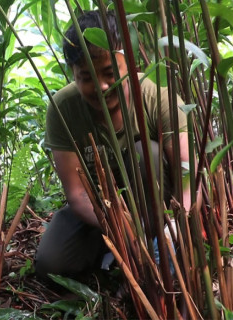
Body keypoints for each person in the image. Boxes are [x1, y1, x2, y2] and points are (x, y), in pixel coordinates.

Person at [34, 10, 193, 280]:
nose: (103, 86)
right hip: (101, 211)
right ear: (73, 74)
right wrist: (122, 230)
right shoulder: (63, 109)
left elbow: (188, 175)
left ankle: (157, 250)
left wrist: (177, 225)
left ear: (129, 62)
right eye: (87, 78)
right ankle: (115, 256)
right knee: (51, 262)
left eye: (110, 73)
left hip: (157, 207)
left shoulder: (159, 97)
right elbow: (77, 194)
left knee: (147, 153)